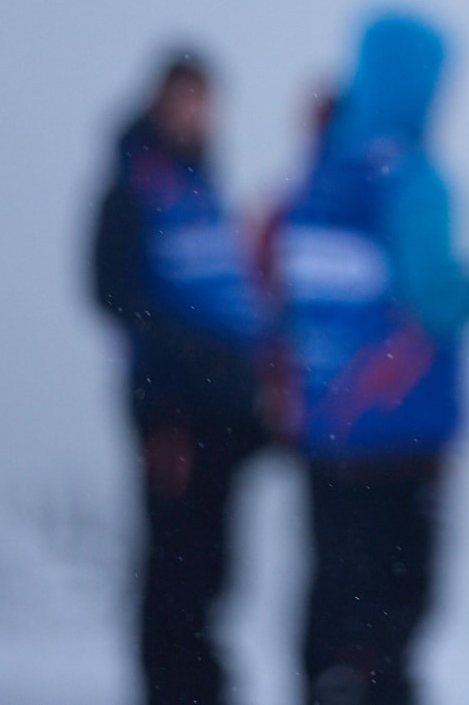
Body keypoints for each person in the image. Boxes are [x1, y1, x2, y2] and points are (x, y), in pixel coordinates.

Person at [266, 11, 469, 705]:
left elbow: (282, 294)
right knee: (396, 608)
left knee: (333, 595)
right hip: (402, 432)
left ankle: (330, 683)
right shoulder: (414, 178)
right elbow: (436, 301)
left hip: (327, 426)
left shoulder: (317, 174)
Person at [90, 47, 268, 705]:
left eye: (203, 100)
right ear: (159, 101)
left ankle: (202, 681)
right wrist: (187, 357)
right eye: (183, 98)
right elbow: (110, 290)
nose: (194, 113)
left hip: (226, 405)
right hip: (171, 404)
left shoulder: (204, 185)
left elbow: (229, 285)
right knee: (175, 556)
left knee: (213, 557)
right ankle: (172, 686)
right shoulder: (132, 186)